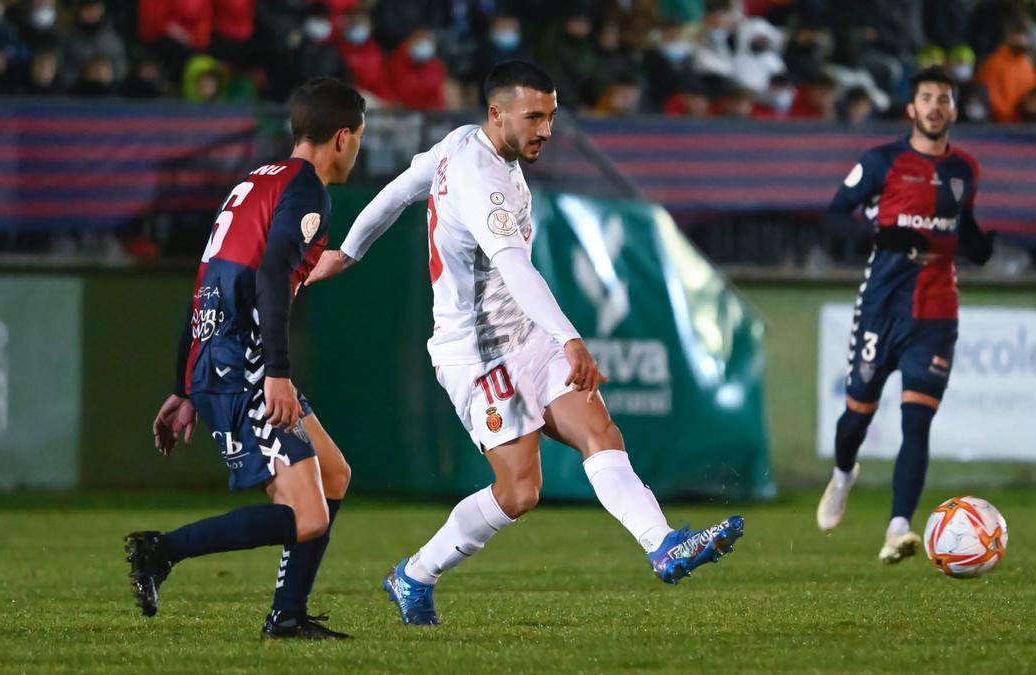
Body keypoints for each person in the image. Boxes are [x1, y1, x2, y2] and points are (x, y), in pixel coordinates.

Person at [305, 61, 744, 626]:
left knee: (599, 432)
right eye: (533, 116)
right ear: (497, 113)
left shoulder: (461, 143)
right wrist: (570, 338)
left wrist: (351, 250)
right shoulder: (480, 177)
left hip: (524, 336)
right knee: (518, 491)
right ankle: (414, 573)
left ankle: (662, 546)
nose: (545, 129)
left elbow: (397, 192)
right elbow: (514, 269)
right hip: (476, 353)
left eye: (551, 116)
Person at [126, 78, 364, 640]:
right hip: (245, 366)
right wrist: (276, 373)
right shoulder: (307, 190)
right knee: (307, 516)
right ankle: (162, 550)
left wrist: (185, 385)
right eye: (358, 138)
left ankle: (287, 615)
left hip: (224, 359)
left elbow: (212, 277)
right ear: (341, 137)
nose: (357, 149)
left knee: (334, 475)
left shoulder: (258, 181)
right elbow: (271, 276)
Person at [815, 67, 996, 564]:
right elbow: (833, 215)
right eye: (926, 97)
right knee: (857, 414)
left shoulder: (965, 170)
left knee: (917, 422)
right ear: (911, 109)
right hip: (881, 306)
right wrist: (882, 236)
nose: (936, 106)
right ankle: (844, 473)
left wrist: (977, 243)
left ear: (954, 110)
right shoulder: (882, 162)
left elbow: (964, 225)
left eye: (945, 98)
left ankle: (899, 528)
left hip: (936, 312)